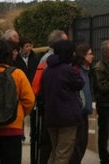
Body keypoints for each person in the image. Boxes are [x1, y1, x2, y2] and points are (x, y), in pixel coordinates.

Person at [39, 40, 84, 163]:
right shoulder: (67, 70)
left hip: (51, 116)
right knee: (63, 153)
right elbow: (80, 83)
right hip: (67, 118)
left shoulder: (47, 70)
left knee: (55, 151)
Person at [31, 29, 68, 164]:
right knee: (49, 144)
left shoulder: (46, 58)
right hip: (51, 107)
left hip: (49, 107)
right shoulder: (51, 60)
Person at [71, 43, 94, 164]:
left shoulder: (86, 72)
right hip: (78, 115)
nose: (92, 56)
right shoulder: (77, 71)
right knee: (78, 146)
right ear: (83, 56)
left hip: (83, 114)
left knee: (82, 145)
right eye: (90, 54)